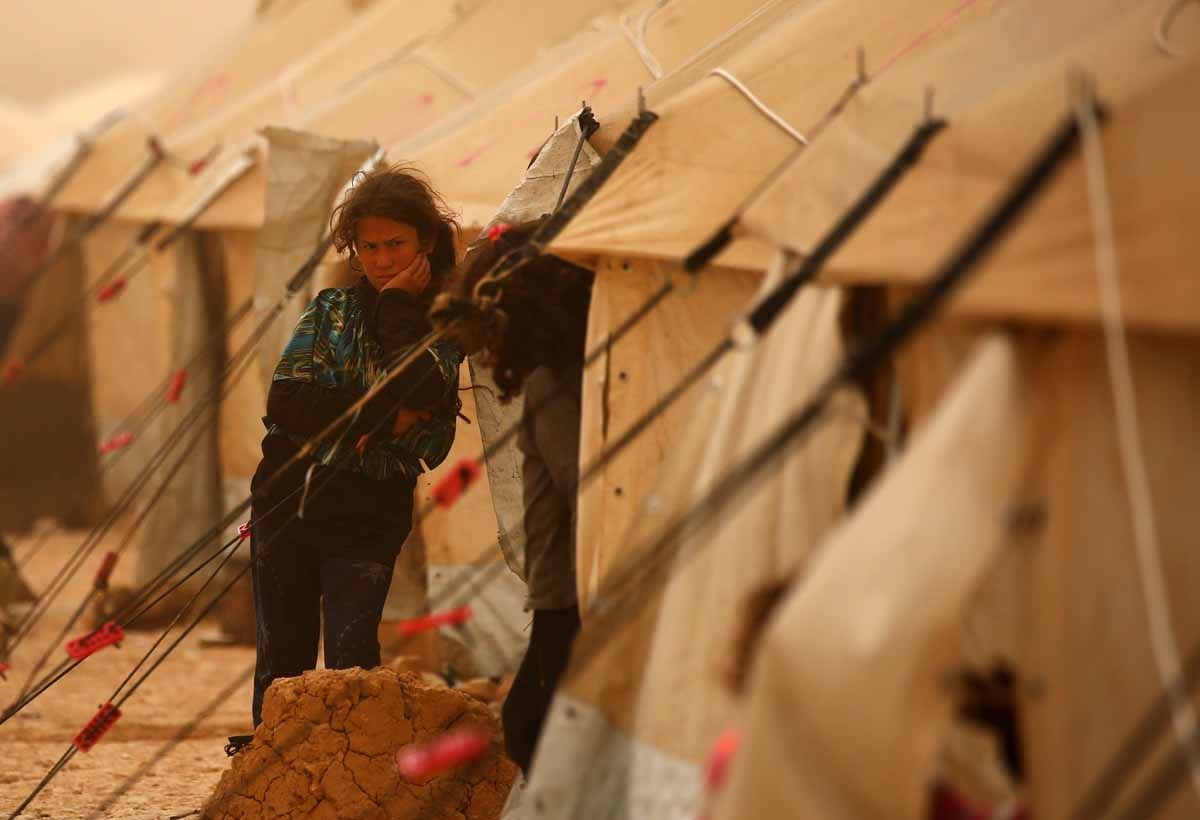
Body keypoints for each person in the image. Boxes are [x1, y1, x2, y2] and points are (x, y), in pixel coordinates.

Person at [245, 166, 463, 729]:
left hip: (368, 512)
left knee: (350, 661)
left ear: (427, 242)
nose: (383, 260)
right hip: (287, 500)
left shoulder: (445, 325)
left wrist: (397, 309)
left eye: (396, 244)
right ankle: (276, 792)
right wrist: (382, 414)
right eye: (370, 247)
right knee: (281, 668)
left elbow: (419, 387)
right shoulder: (329, 311)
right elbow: (287, 402)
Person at [434, 220, 593, 773]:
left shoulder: (557, 385)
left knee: (536, 730)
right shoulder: (567, 378)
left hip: (569, 598)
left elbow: (584, 494)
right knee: (531, 727)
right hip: (564, 594)